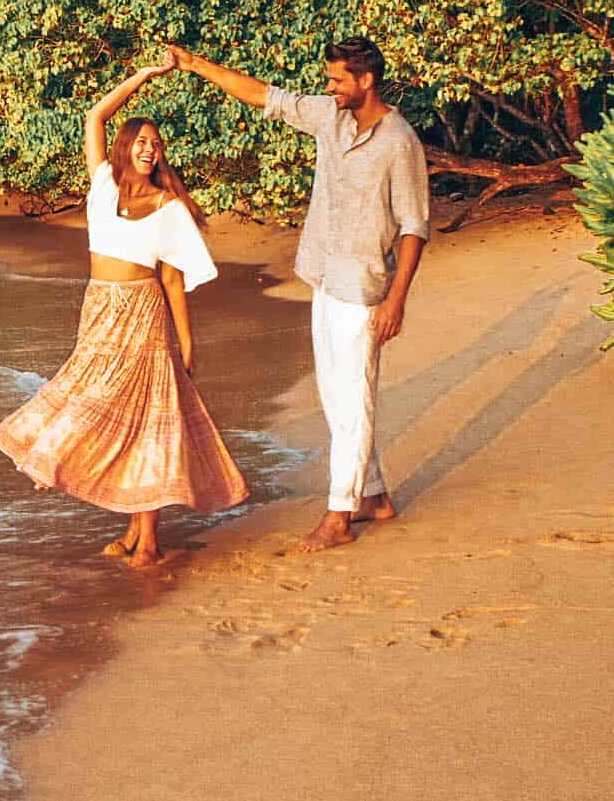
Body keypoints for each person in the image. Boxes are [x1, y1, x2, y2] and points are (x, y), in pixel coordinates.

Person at [166, 37, 430, 553]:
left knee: (354, 398)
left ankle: (338, 517)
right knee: (336, 397)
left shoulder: (400, 141)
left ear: (365, 81)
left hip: (364, 285)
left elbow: (415, 226)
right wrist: (195, 64)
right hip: (323, 274)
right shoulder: (329, 117)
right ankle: (373, 496)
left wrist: (396, 300)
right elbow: (264, 96)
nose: (329, 88)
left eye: (337, 80)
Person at [0, 54, 250, 570]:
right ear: (125, 146)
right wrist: (145, 76)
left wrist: (188, 343)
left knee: (146, 419)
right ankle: (135, 528)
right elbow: (93, 115)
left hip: (143, 315)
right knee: (96, 411)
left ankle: (148, 539)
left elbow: (173, 281)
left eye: (156, 144)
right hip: (99, 312)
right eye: (142, 141)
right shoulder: (103, 187)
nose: (150, 149)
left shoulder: (169, 207)